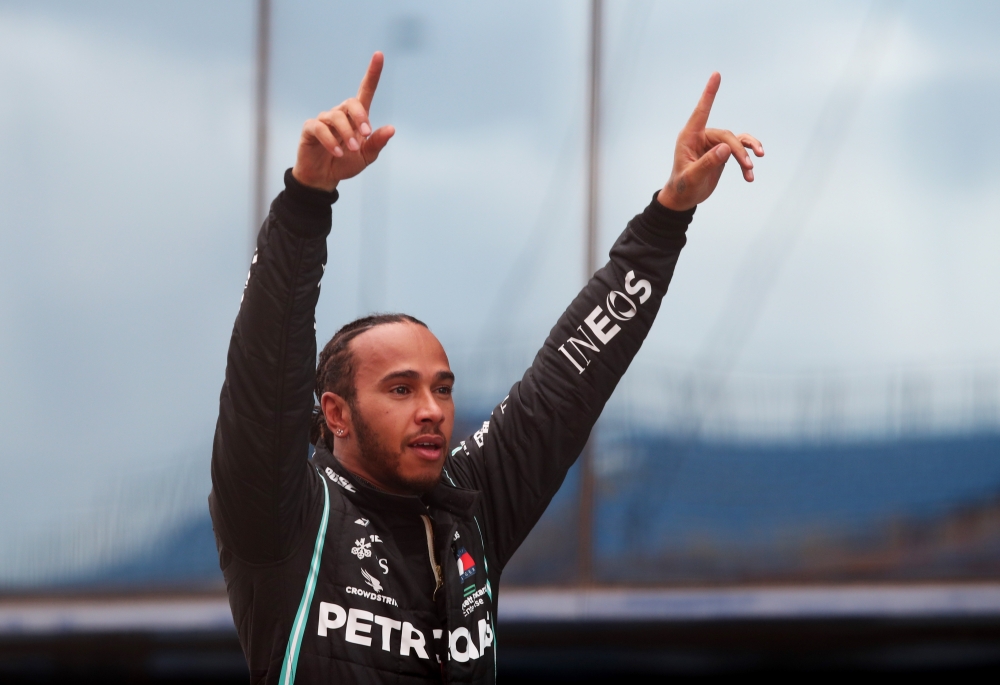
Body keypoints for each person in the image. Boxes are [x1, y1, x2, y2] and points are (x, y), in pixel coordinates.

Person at [209, 51, 762, 685]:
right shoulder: (283, 517)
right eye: (400, 388)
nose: (431, 409)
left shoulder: (467, 507)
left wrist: (666, 220)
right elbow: (264, 375)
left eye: (442, 388)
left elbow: (568, 378)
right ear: (335, 412)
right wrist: (306, 203)